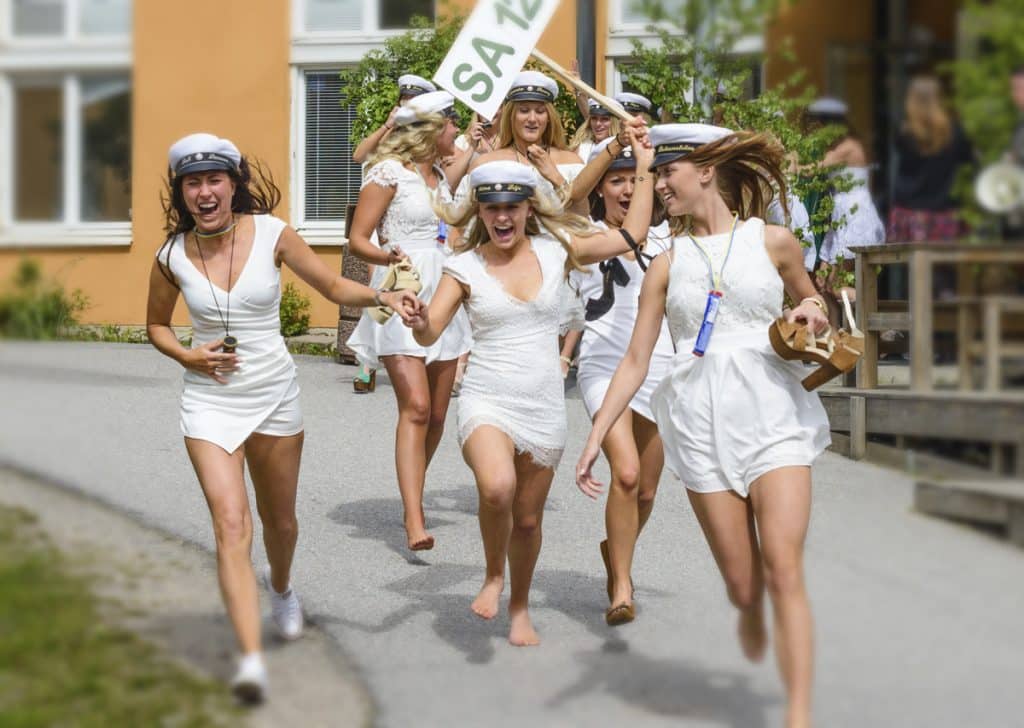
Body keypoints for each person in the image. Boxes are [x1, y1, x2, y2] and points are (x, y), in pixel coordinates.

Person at [146, 133, 419, 703]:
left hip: (273, 394)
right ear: (182, 191)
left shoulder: (273, 233)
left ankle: (284, 586)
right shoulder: (171, 255)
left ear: (233, 183)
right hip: (209, 400)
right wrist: (187, 354)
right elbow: (157, 326)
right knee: (230, 526)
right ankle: (250, 662)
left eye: (214, 180)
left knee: (282, 524)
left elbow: (332, 285)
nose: (204, 192)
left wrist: (383, 298)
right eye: (192, 183)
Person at [576, 123, 831, 728]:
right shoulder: (666, 263)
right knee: (745, 585)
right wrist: (594, 437)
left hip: (773, 416)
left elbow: (813, 298)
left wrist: (809, 311)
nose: (657, 184)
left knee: (784, 567)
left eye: (667, 172)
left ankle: (798, 713)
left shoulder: (772, 241)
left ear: (707, 171)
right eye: (654, 173)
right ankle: (746, 607)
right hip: (698, 425)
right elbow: (636, 361)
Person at [405, 127, 654, 646]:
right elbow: (430, 330)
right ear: (478, 212)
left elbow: (630, 236)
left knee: (527, 519)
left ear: (528, 210)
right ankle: (493, 575)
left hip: (542, 404)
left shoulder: (558, 249)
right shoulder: (464, 266)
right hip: (487, 398)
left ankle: (519, 605)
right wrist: (417, 319)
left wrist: (646, 166)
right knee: (496, 488)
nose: (501, 217)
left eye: (512, 207)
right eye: (491, 208)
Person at [346, 91, 473, 552]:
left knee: (438, 414)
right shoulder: (388, 172)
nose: (456, 132)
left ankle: (413, 491)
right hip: (402, 289)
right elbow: (358, 238)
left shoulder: (440, 174)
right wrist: (387, 254)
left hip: (444, 291)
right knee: (416, 407)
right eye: (452, 124)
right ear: (432, 129)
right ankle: (413, 517)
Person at [570, 137, 675, 625]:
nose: (629, 190)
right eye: (618, 181)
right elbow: (571, 193)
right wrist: (613, 147)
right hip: (604, 365)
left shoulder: (671, 240)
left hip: (659, 366)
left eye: (637, 180)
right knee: (626, 473)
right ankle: (621, 585)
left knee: (647, 491)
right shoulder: (583, 234)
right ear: (603, 189)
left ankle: (617, 547)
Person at [805, 98, 886, 324]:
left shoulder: (848, 146)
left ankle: (879, 323)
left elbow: (811, 169)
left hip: (854, 216)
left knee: (837, 284)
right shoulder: (837, 147)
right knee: (823, 284)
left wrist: (783, 160)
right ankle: (835, 345)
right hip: (840, 217)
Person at [887, 75, 974, 245]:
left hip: (909, 211)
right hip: (945, 209)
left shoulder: (904, 133)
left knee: (911, 266)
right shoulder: (955, 132)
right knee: (947, 266)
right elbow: (968, 162)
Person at [352, 74, 436, 165]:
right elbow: (359, 157)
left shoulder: (432, 129)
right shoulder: (395, 129)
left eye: (412, 97)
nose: (407, 101)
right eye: (404, 97)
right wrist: (387, 125)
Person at [570, 99, 619, 163]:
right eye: (594, 118)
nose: (597, 123)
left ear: (614, 123)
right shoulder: (581, 148)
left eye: (604, 119)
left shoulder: (623, 149)